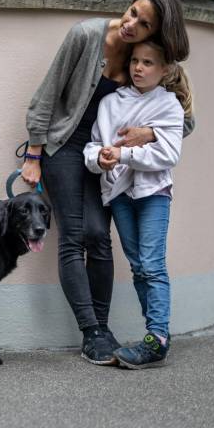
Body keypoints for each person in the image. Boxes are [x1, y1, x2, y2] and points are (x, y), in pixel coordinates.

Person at [22, 0, 194, 366]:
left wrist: (148, 133)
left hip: (106, 154)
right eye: (132, 12)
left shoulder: (147, 59)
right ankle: (91, 332)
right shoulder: (86, 35)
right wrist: (34, 152)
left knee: (99, 236)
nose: (131, 25)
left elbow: (185, 121)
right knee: (73, 237)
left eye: (144, 24)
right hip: (65, 147)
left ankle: (102, 327)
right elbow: (46, 96)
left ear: (156, 34)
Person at [84, 40, 191, 368]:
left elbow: (168, 154)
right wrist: (99, 160)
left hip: (153, 194)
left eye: (148, 62)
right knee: (139, 266)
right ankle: (156, 336)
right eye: (135, 61)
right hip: (119, 195)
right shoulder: (110, 103)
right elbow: (93, 145)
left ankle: (157, 337)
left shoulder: (169, 105)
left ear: (164, 70)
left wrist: (124, 154)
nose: (138, 68)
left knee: (152, 264)